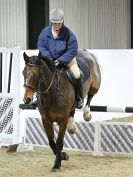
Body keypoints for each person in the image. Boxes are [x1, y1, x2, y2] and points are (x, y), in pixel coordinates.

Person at [37, 8, 84, 109]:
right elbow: (41, 46)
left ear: (62, 22)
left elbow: (72, 49)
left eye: (59, 23)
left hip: (66, 59)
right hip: (49, 59)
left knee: (77, 74)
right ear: (51, 22)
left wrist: (61, 60)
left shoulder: (69, 34)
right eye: (54, 23)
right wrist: (49, 58)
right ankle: (38, 98)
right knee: (39, 73)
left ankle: (80, 98)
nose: (57, 25)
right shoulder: (44, 33)